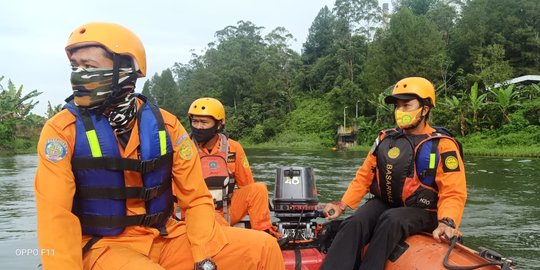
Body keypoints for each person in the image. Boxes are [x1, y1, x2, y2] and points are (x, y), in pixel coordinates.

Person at [34, 22, 284, 270]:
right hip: (103, 245)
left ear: (126, 70)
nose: (78, 76)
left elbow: (196, 199)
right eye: (74, 67)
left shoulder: (168, 126)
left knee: (263, 248)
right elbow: (55, 219)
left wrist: (202, 254)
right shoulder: (61, 131)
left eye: (89, 66)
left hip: (165, 235)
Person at [321, 77, 467, 270]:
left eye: (407, 105)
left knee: (392, 220)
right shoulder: (385, 139)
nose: (400, 111)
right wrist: (343, 204)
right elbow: (365, 175)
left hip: (425, 211)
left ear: (425, 109)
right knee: (355, 222)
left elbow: (453, 191)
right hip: (387, 203)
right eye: (398, 106)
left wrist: (447, 221)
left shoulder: (443, 145)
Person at [187, 98, 280, 238]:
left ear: (218, 125)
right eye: (195, 121)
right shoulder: (184, 149)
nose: (198, 127)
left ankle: (265, 233)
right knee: (214, 222)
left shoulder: (234, 148)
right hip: (197, 211)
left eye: (204, 122)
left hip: (226, 208)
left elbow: (247, 184)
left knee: (258, 189)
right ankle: (229, 237)